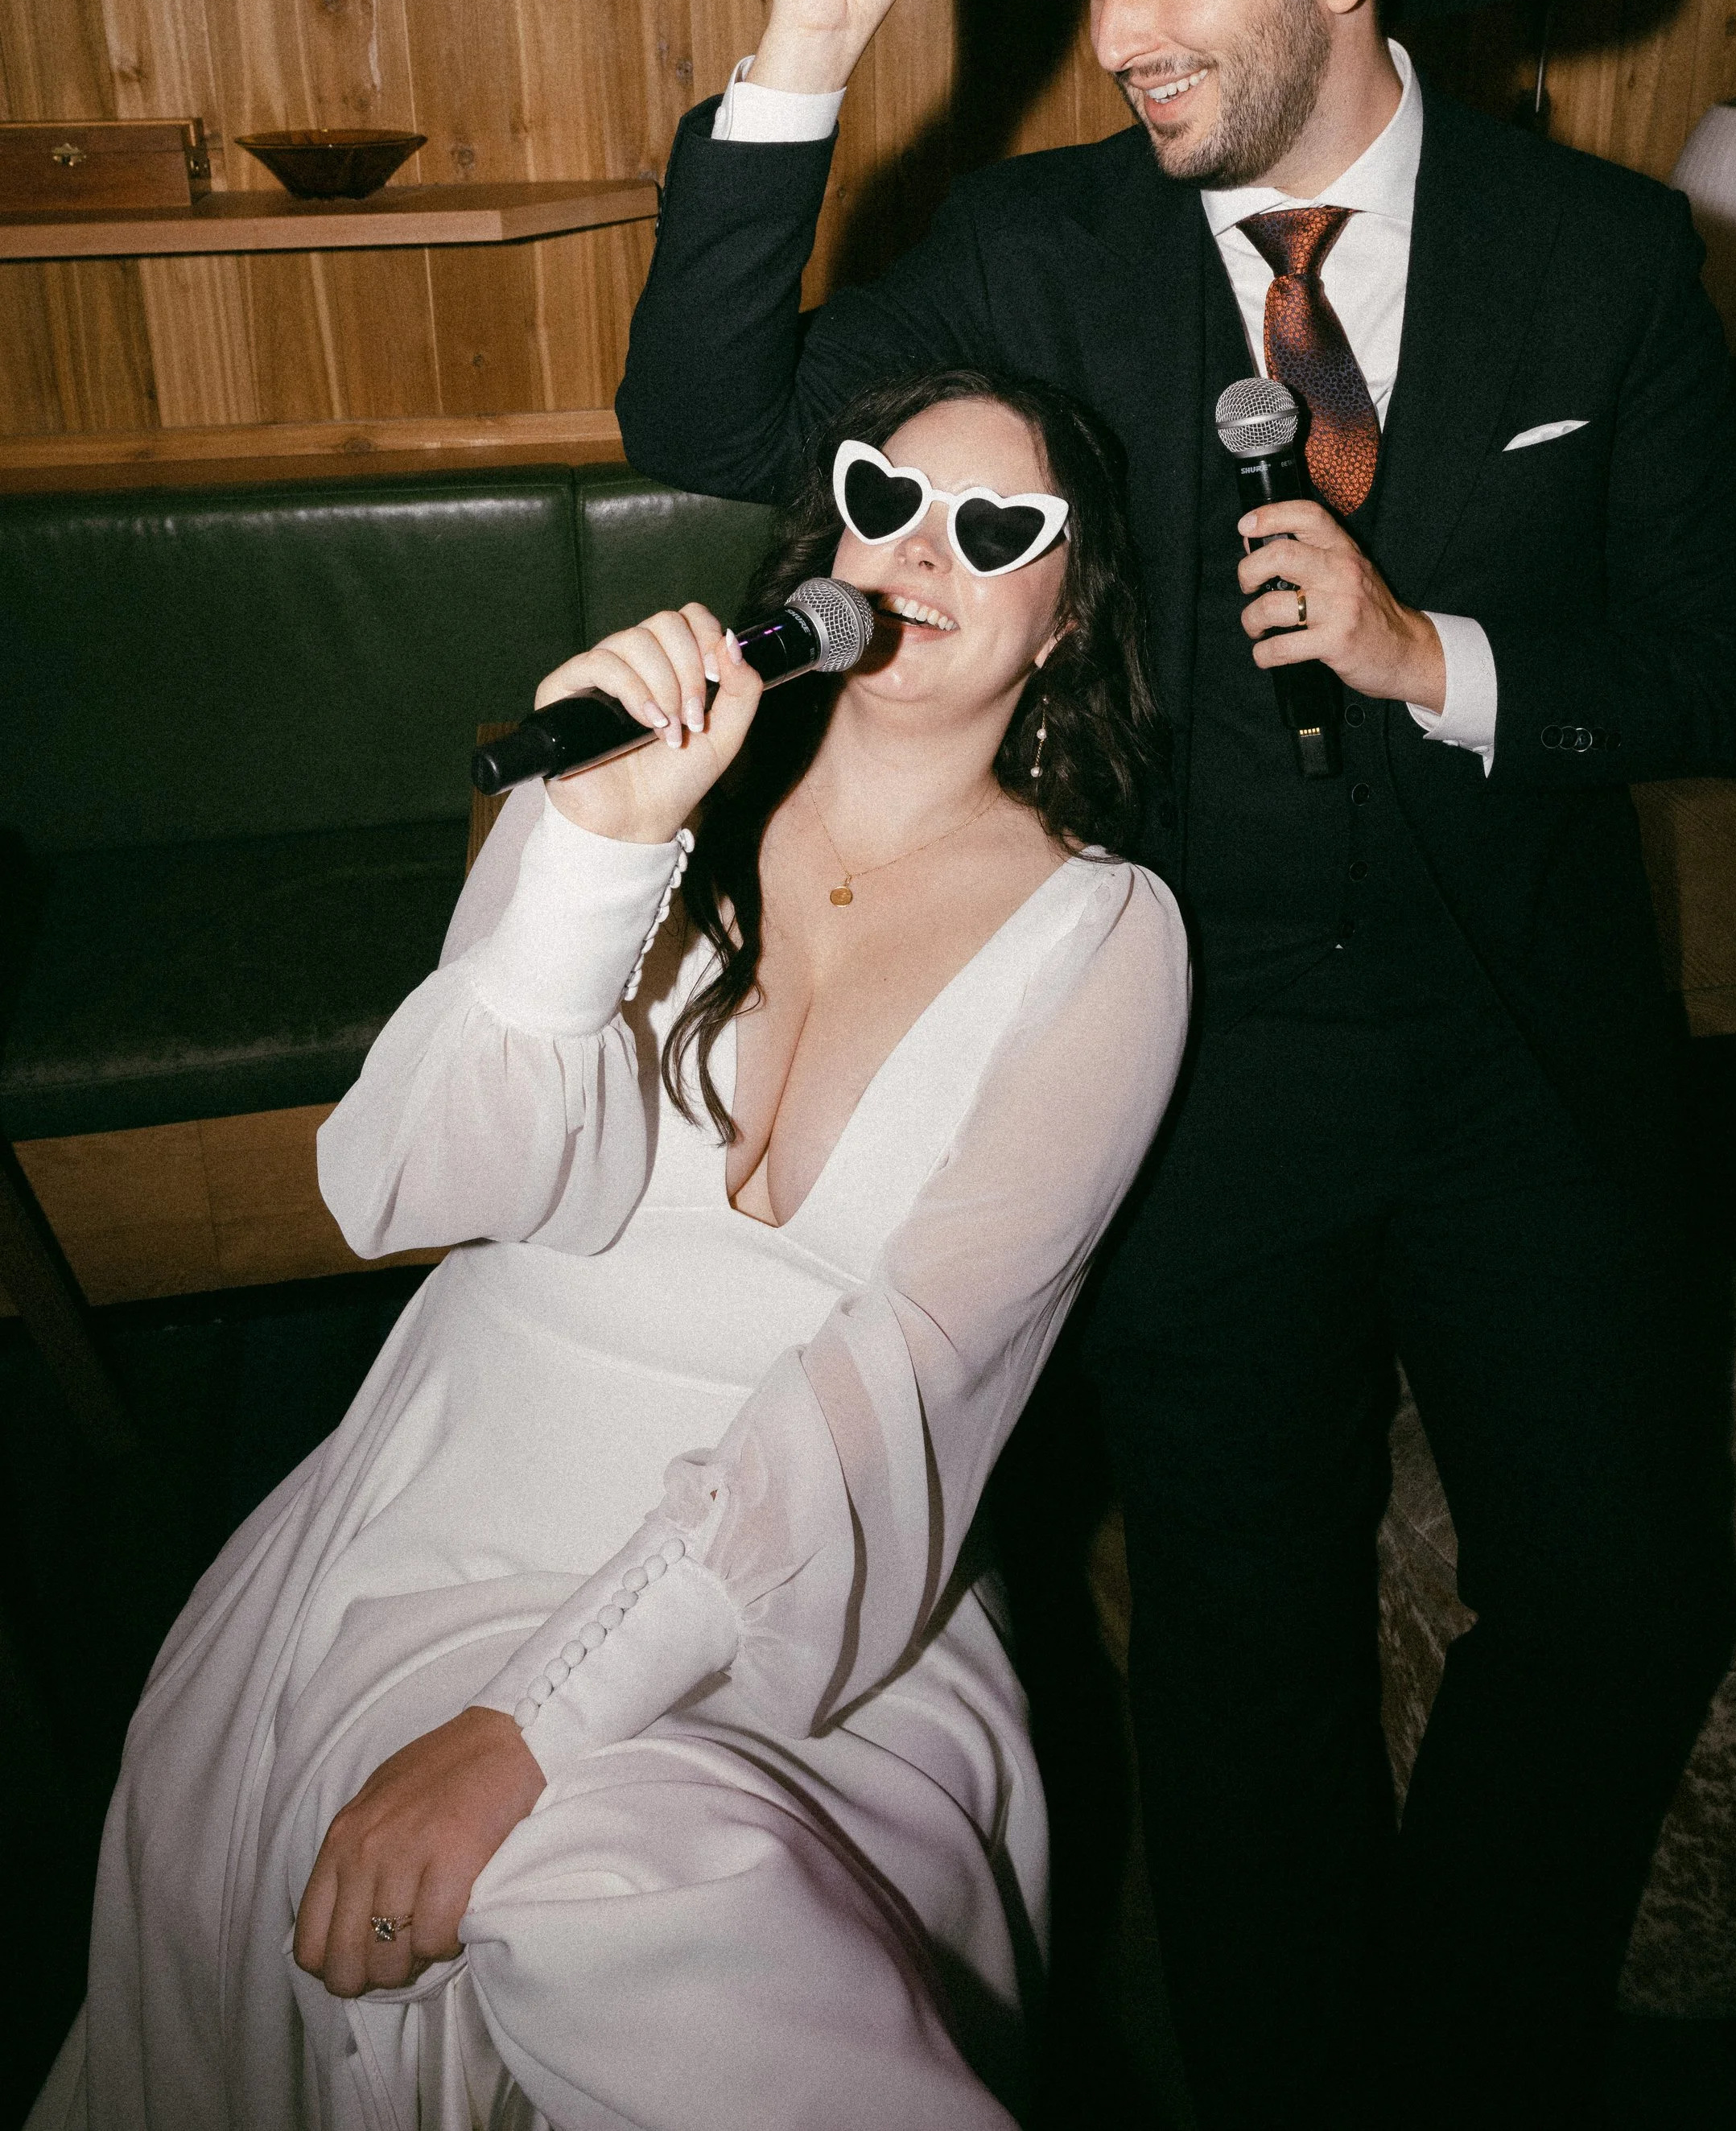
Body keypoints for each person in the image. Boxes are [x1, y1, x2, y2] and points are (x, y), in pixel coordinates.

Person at [612, 0, 1736, 2125]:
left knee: (1615, 1596)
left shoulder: (1599, 260)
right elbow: (701, 417)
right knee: (1241, 1647)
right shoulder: (1042, 257)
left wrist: (1436, 650)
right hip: (1171, 1041)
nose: (1122, 25)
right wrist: (807, 52)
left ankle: (1438, 2067)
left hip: (1519, 1044)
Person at [43, 369, 1187, 2131]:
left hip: (809, 1568)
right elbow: (403, 1187)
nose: (917, 553)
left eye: (992, 528)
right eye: (883, 498)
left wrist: (529, 1728)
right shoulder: (629, 808)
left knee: (635, 1870)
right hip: (462, 1503)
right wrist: (595, 848)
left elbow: (898, 1380)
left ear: (1069, 608)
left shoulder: (1106, 936)